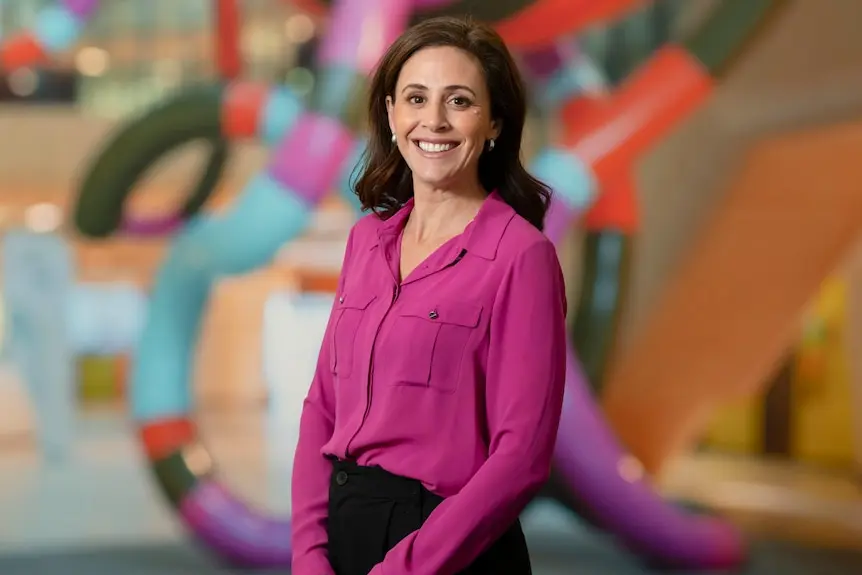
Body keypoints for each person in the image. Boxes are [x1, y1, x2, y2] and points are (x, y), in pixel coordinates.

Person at [291, 15, 567, 575]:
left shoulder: (522, 257)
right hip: (346, 537)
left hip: (452, 552)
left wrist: (406, 569)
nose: (433, 121)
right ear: (392, 114)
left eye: (459, 101)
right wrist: (308, 557)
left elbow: (521, 458)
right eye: (416, 98)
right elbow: (322, 407)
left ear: (494, 122)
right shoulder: (366, 240)